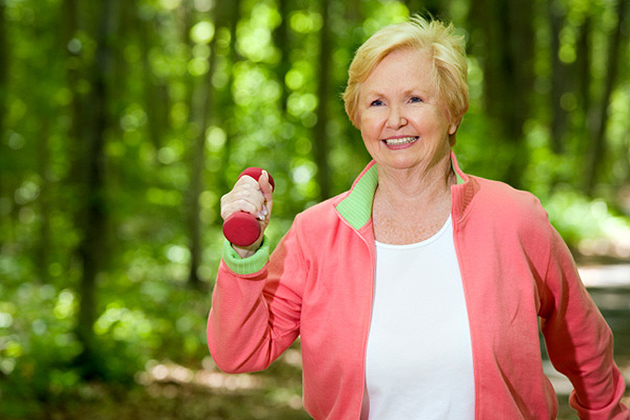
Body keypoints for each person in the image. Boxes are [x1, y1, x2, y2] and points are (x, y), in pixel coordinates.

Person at [207, 15, 629, 420]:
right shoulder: (316, 235)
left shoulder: (515, 219)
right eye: (376, 102)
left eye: (414, 98)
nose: (394, 120)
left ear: (452, 113)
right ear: (358, 118)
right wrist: (244, 252)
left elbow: (585, 348)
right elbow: (239, 352)